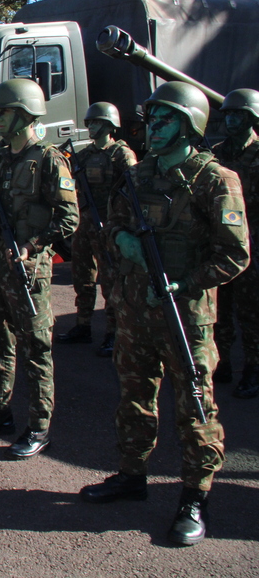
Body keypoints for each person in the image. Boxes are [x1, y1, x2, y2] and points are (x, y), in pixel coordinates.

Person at [80, 81, 250, 547]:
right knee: (134, 397)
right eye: (151, 120)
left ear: (189, 125)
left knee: (196, 407)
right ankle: (131, 475)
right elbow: (111, 221)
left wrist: (184, 284)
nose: (152, 128)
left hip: (185, 317)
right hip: (136, 312)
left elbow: (234, 255)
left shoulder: (215, 179)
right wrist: (123, 241)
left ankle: (195, 497)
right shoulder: (140, 174)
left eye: (165, 120)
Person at [0, 78, 78, 460]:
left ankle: (39, 427)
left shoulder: (48, 159)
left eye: (4, 112)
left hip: (31, 271)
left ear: (26, 114)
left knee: (36, 349)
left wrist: (32, 245)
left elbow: (68, 217)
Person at [57, 102, 136, 357]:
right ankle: (83, 325)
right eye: (89, 122)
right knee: (82, 277)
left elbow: (133, 192)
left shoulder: (121, 155)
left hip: (109, 225)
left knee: (111, 280)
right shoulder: (86, 154)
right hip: (85, 223)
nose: (90, 126)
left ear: (109, 125)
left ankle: (114, 332)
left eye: (95, 122)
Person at [211, 89, 259, 398]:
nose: (230, 119)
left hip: (253, 242)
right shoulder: (217, 152)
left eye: (237, 115)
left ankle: (253, 367)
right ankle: (223, 362)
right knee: (220, 306)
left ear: (252, 118)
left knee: (251, 310)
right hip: (220, 241)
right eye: (227, 114)